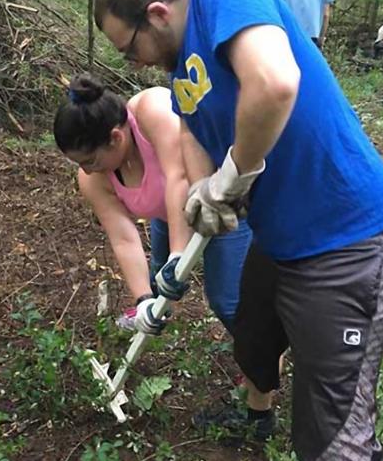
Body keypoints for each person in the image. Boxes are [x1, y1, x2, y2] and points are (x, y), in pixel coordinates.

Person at [94, 0, 383, 461]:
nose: (130, 60)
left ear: (156, 14)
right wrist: (205, 188)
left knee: (336, 434)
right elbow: (192, 136)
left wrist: (236, 173)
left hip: (344, 238)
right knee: (252, 335)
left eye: (127, 46)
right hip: (281, 241)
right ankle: (257, 417)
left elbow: (275, 82)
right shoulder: (183, 75)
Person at [53, 73, 276, 439]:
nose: (87, 169)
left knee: (229, 301)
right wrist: (143, 299)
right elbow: (123, 236)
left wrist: (178, 252)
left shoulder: (153, 110)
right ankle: (163, 305)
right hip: (169, 211)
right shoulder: (92, 176)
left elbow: (179, 176)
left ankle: (261, 393)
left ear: (116, 137)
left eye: (91, 159)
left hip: (219, 202)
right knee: (160, 283)